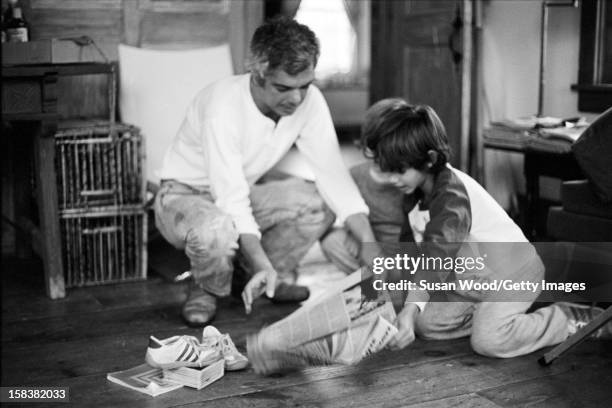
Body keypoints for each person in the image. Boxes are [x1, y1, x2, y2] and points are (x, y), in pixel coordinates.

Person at [324, 98, 611, 357]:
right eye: (387, 170)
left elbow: (436, 256)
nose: (391, 179)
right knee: (426, 323)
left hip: (512, 274)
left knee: (489, 343)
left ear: (430, 160)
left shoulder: (452, 195)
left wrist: (409, 308)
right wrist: (375, 297)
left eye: (398, 170)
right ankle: (489, 315)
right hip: (471, 283)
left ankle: (568, 317)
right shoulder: (412, 194)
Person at [154, 16, 380, 326]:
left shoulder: (309, 102)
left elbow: (333, 175)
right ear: (257, 72)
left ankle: (250, 277)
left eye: (306, 85)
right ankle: (207, 286)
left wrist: (371, 249)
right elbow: (230, 199)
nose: (297, 98)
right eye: (284, 87)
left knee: (321, 202)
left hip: (238, 194)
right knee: (216, 229)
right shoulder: (222, 107)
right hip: (181, 198)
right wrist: (262, 259)